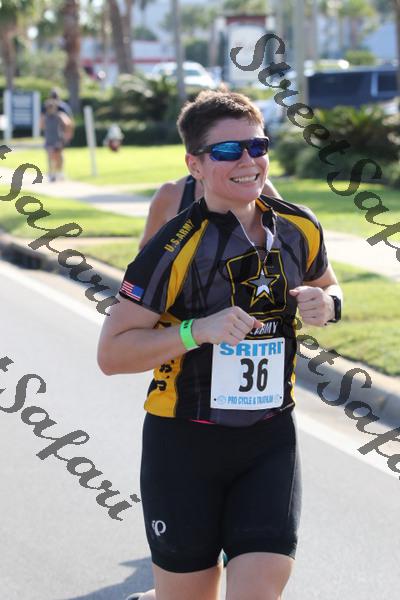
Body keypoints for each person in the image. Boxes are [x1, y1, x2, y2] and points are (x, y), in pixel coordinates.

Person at [97, 90, 343, 600]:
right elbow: (112, 354)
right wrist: (196, 331)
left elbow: (328, 286)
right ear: (195, 164)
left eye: (257, 146)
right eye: (228, 151)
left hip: (270, 439)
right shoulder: (173, 246)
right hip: (183, 444)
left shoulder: (298, 226)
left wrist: (328, 304)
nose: (248, 160)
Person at [139, 174, 283, 250]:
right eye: (224, 149)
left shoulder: (260, 188)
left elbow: (289, 241)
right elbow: (146, 255)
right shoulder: (172, 193)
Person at [40, 89, 74, 182]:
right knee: (51, 155)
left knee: (58, 154)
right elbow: (41, 123)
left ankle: (58, 172)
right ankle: (53, 173)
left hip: (58, 136)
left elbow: (68, 122)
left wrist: (68, 134)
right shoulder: (46, 107)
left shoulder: (62, 108)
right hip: (51, 136)